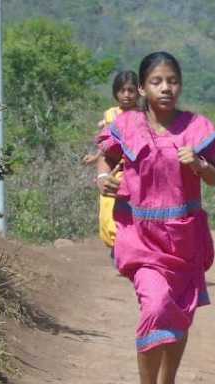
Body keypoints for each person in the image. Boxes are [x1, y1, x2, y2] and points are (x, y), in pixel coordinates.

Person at [95, 52, 215, 384]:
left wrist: (200, 166)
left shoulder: (197, 128)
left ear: (180, 84)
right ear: (141, 88)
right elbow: (106, 160)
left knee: (179, 313)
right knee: (155, 304)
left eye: (172, 80)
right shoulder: (128, 124)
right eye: (157, 81)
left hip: (184, 238)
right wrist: (104, 180)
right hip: (141, 235)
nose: (166, 87)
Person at [86, 71, 138, 255]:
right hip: (114, 170)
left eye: (131, 90)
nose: (127, 95)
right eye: (122, 90)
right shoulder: (110, 115)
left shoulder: (144, 115)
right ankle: (116, 245)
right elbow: (107, 143)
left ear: (138, 92)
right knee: (108, 208)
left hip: (136, 171)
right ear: (116, 92)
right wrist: (95, 157)